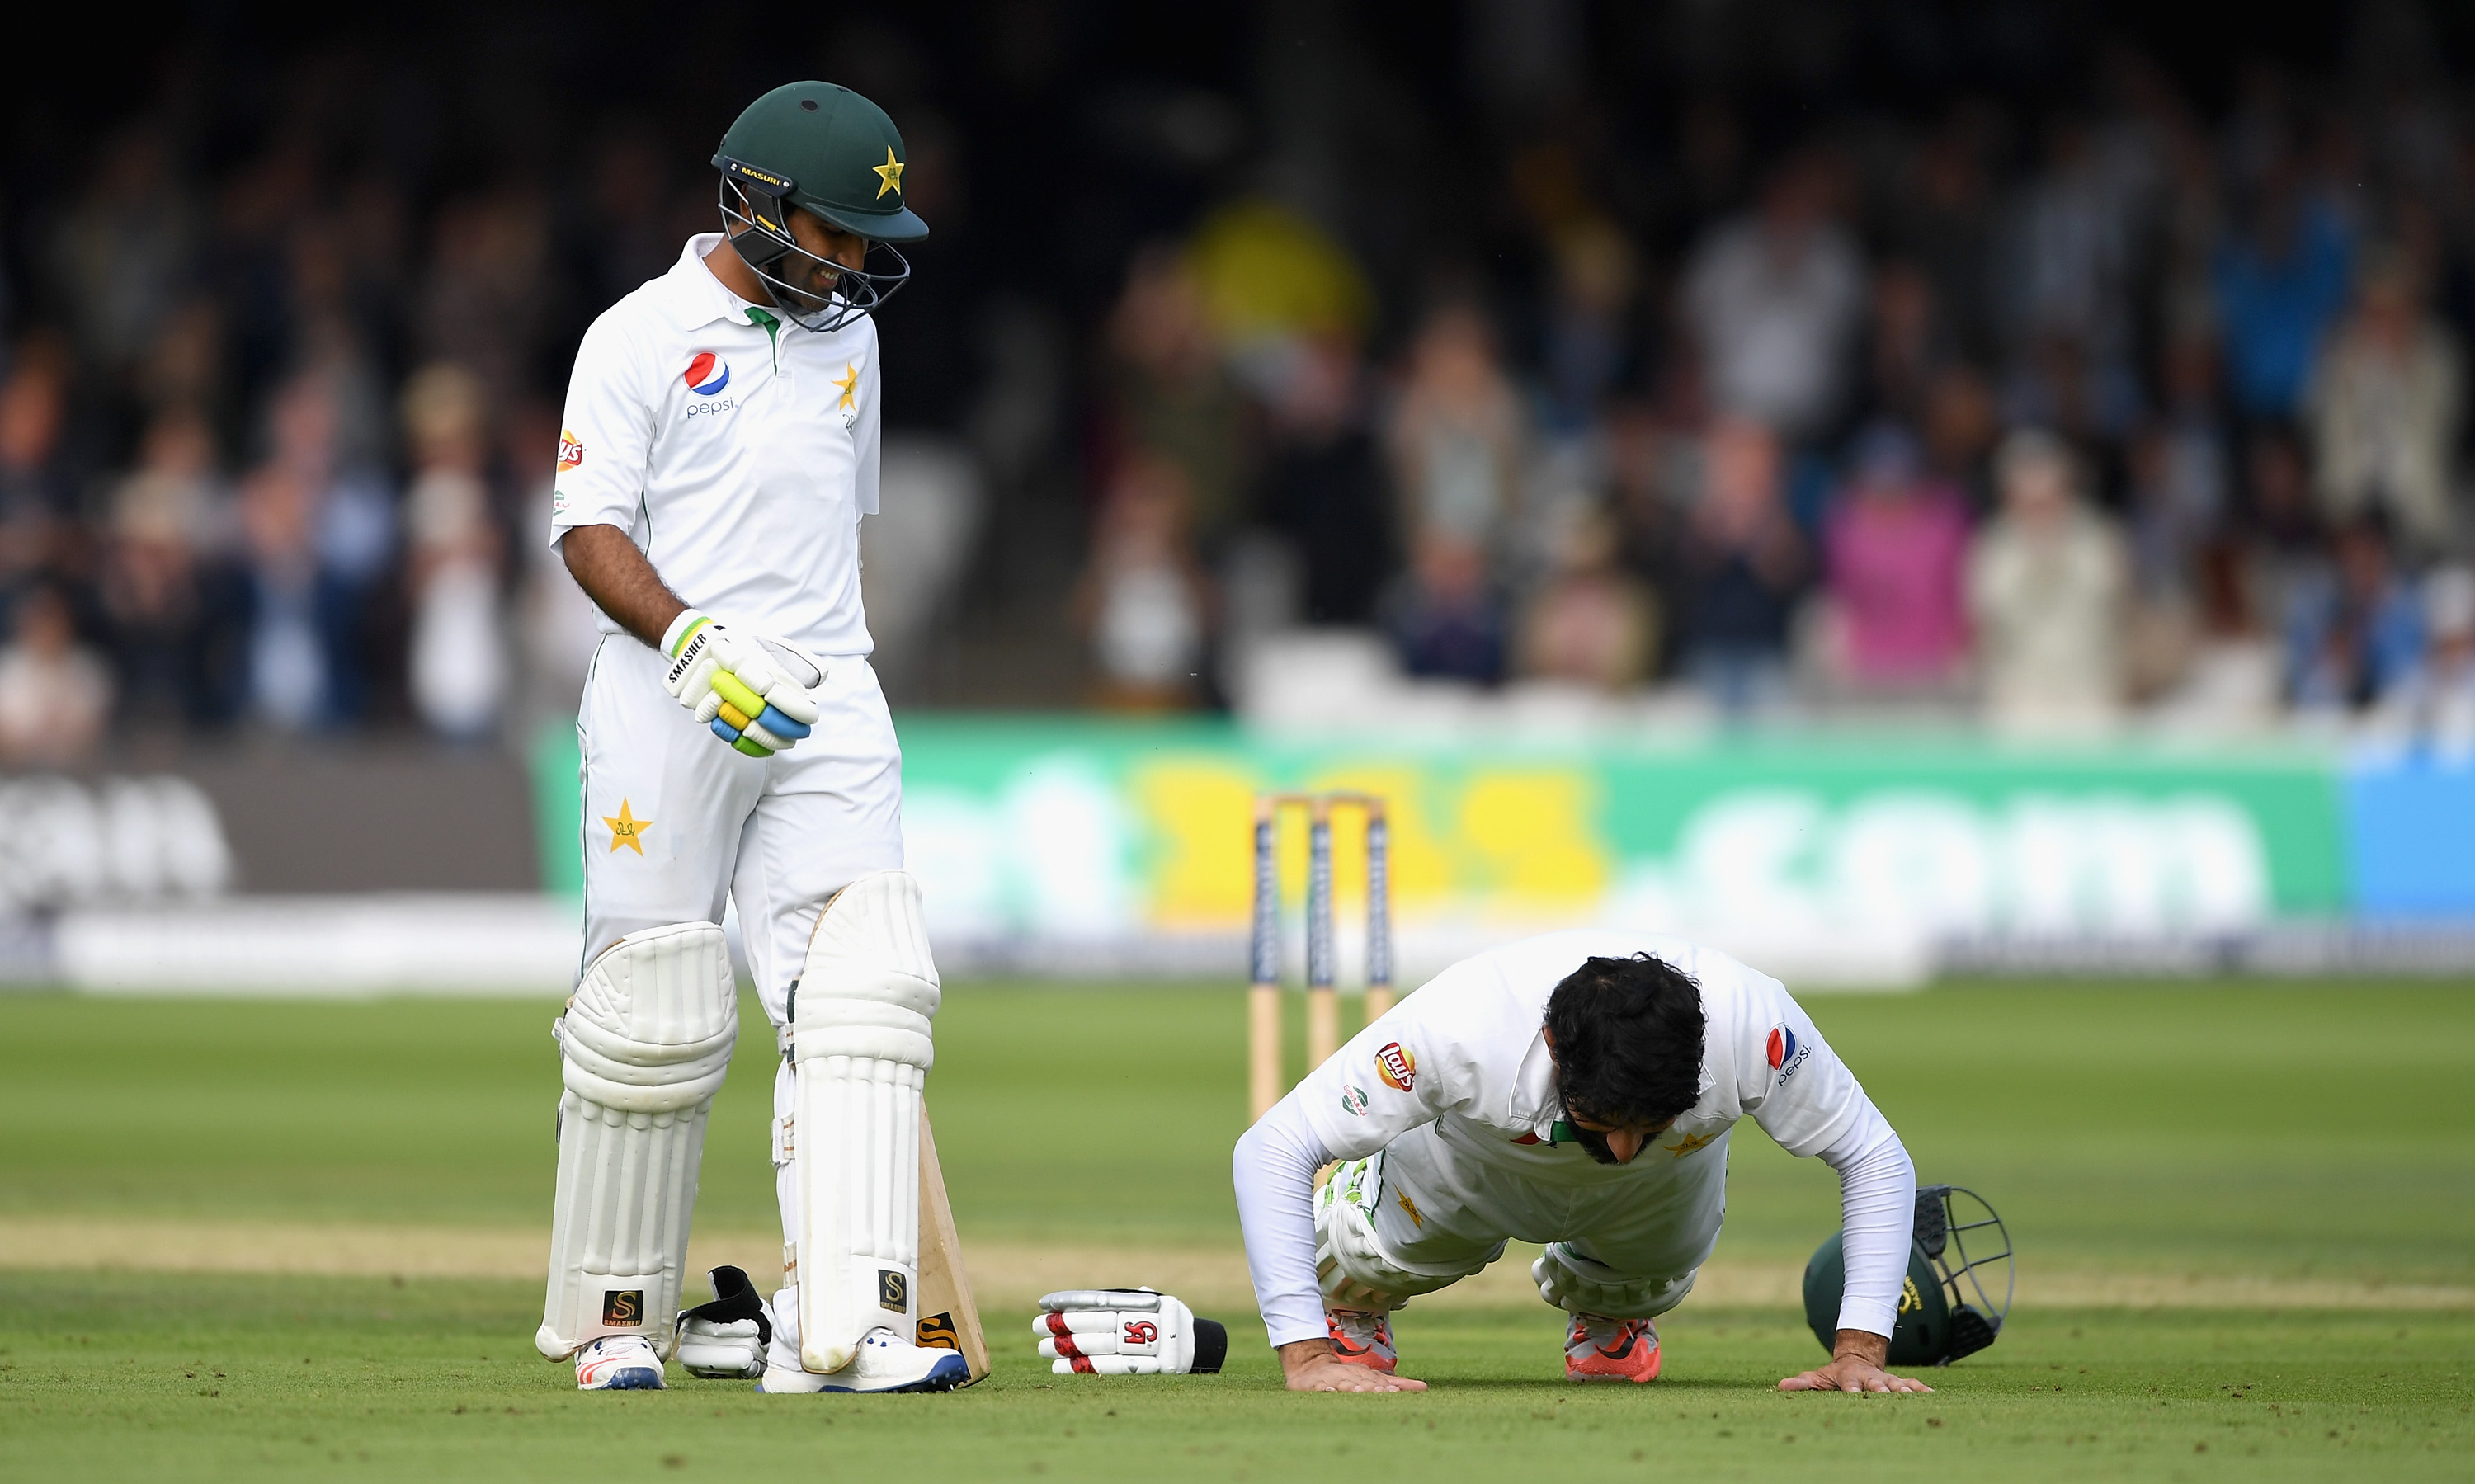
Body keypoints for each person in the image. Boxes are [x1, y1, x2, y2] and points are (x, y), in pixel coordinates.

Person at [539, 81, 967, 1396]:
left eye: (863, 236)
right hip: (673, 689)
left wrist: (807, 656)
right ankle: (613, 1318)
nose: (850, 263)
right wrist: (688, 637)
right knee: (656, 1004)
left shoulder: (851, 342)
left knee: (863, 993)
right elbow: (587, 528)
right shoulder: (640, 334)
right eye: (832, 232)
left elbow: (843, 524)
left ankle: (844, 1325)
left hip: (828, 688)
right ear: (756, 200)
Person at [1232, 935, 1926, 1395]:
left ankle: (1610, 1310)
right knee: (1372, 1252)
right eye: (1604, 1121)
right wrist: (1306, 1355)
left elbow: (1874, 1157)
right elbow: (1271, 1148)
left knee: (1648, 1271)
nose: (1622, 1148)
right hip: (1468, 1162)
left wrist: (1859, 1354)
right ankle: (1349, 1306)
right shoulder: (1461, 1023)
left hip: (1663, 1189)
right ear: (1555, 1048)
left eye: (1646, 1124)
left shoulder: (1755, 1026)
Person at [1965, 430, 2128, 737]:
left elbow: (2113, 611)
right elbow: (1986, 620)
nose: (2039, 504)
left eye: (2048, 493)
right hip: (2019, 704)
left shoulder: (2097, 539)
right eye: (2027, 495)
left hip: (2090, 702)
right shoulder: (1993, 547)